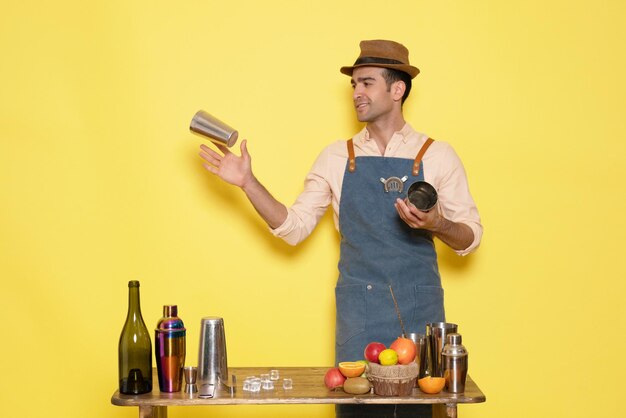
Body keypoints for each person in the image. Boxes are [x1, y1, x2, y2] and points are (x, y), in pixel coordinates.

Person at [199, 39, 482, 417]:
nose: (356, 93)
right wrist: (249, 183)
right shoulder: (336, 156)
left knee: (419, 411)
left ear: (397, 89)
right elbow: (295, 227)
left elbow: (471, 237)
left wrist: (437, 223)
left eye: (366, 83)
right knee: (357, 410)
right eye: (354, 85)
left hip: (419, 316)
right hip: (359, 315)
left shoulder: (436, 155)